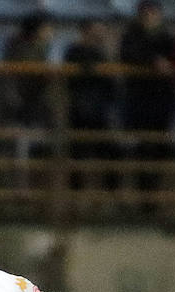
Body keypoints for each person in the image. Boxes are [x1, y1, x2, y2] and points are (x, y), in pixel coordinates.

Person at [117, 0, 175, 199]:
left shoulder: (168, 38)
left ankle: (154, 195)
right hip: (139, 101)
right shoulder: (131, 36)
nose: (149, 17)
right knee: (141, 147)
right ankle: (144, 195)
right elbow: (128, 55)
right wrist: (153, 61)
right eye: (146, 13)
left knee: (160, 147)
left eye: (153, 13)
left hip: (161, 100)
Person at [63, 20, 118, 192]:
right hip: (81, 107)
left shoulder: (103, 52)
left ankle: (110, 192)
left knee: (108, 151)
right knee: (78, 151)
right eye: (96, 30)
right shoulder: (75, 51)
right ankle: (76, 194)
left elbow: (112, 84)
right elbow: (77, 77)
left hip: (101, 109)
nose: (99, 34)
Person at [3, 13, 55, 130]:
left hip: (38, 93)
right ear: (36, 30)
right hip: (25, 93)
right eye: (47, 28)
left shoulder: (43, 47)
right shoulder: (21, 47)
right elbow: (29, 73)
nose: (50, 31)